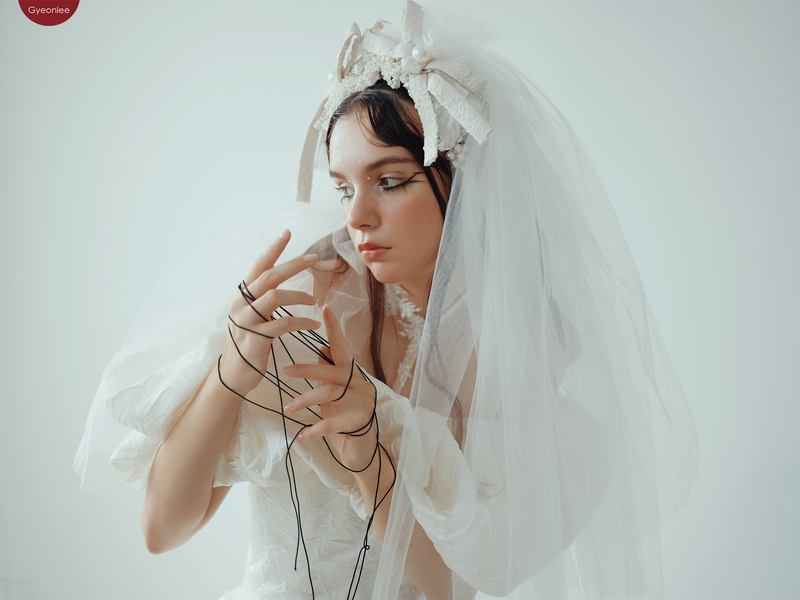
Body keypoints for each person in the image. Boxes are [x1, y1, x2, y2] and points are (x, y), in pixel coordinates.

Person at [74, 2, 698, 599]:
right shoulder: (299, 307)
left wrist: (366, 453)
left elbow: (453, 588)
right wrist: (230, 371)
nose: (358, 218)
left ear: (467, 183)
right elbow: (162, 531)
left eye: (390, 181)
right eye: (344, 188)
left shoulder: (520, 361)